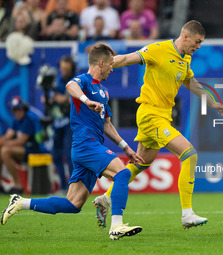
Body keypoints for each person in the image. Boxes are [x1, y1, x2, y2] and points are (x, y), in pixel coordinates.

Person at [1, 43, 144, 241]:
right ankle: (117, 225)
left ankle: (20, 202)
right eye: (111, 64)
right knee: (123, 174)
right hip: (86, 144)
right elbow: (70, 86)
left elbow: (107, 124)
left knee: (73, 204)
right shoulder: (83, 81)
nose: (113, 68)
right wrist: (86, 101)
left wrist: (125, 148)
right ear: (100, 63)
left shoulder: (103, 91)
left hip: (89, 146)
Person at [93, 20, 223, 229]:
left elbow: (190, 81)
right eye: (197, 42)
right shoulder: (159, 49)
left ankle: (106, 198)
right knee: (190, 155)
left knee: (141, 163)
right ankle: (187, 214)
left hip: (162, 115)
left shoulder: (185, 59)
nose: (198, 46)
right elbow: (128, 58)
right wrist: (105, 64)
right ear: (186, 36)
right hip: (150, 114)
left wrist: (210, 101)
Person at [0, 96, 45, 194]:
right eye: (14, 110)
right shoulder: (17, 119)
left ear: (23, 109)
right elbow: (9, 134)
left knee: (5, 151)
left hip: (35, 149)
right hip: (25, 148)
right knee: (2, 149)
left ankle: (18, 186)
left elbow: (20, 141)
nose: (16, 112)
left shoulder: (29, 118)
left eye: (18, 110)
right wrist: (2, 141)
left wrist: (3, 142)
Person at [50, 55, 75, 194]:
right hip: (56, 123)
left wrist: (63, 99)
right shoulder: (56, 81)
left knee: (70, 155)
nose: (64, 71)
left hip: (69, 123)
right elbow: (49, 100)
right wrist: (49, 99)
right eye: (62, 68)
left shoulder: (75, 81)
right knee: (56, 155)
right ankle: (62, 186)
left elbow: (75, 101)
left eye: (66, 69)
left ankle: (72, 187)